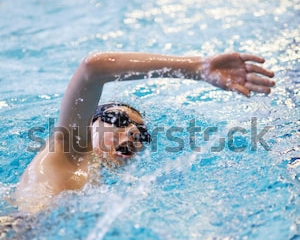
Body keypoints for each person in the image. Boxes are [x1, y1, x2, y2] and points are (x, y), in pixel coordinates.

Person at [14, 51, 275, 213]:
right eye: (117, 119)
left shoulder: (96, 184)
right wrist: (197, 68)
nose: (131, 134)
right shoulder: (70, 151)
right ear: (90, 122)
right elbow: (92, 68)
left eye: (141, 134)